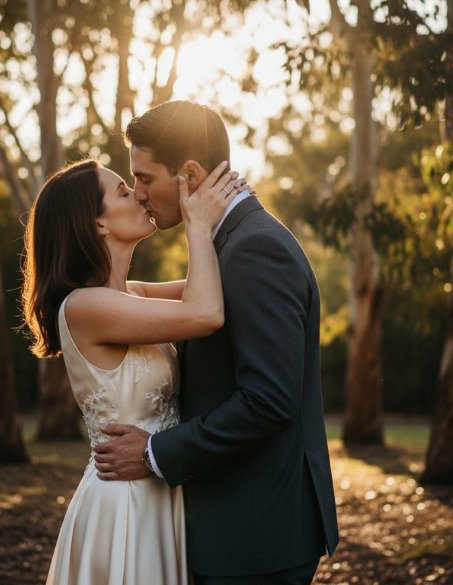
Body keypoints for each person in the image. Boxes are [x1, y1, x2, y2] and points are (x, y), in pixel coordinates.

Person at [94, 100, 340, 585]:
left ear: (188, 173)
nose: (139, 194)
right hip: (230, 528)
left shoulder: (254, 249)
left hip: (254, 536)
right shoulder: (224, 244)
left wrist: (154, 452)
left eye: (144, 178)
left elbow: (269, 401)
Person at [23, 157, 248, 584]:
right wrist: (195, 225)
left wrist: (227, 211)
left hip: (161, 489)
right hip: (124, 503)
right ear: (98, 225)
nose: (139, 194)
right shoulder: (85, 307)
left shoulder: (132, 294)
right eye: (124, 192)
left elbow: (228, 283)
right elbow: (205, 313)